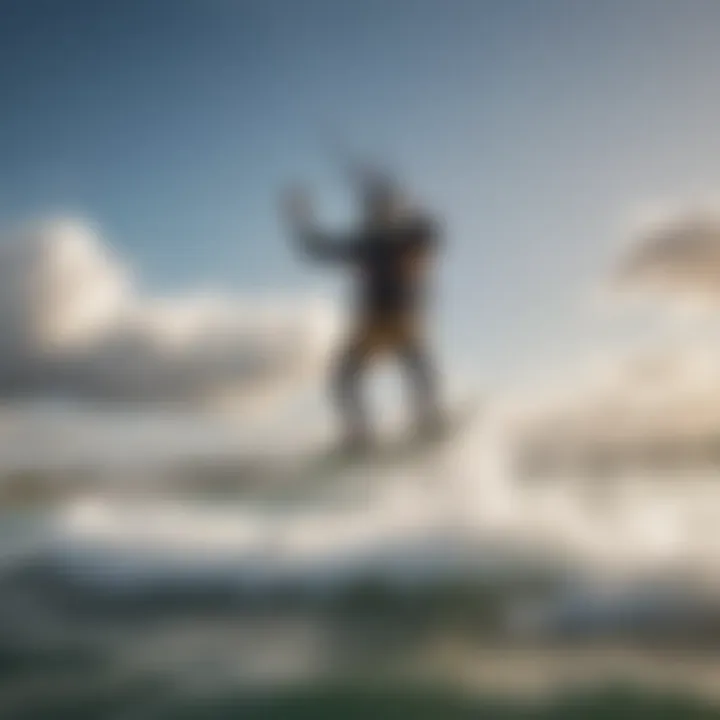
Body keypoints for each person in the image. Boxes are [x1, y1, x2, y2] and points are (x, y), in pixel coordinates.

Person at [283, 169, 444, 452]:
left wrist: (399, 202)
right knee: (343, 378)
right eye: (372, 209)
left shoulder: (408, 236)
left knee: (419, 370)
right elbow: (317, 248)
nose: (375, 215)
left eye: (381, 209)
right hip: (372, 325)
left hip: (403, 321)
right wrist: (300, 217)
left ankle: (429, 424)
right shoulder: (366, 244)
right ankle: (361, 437)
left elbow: (430, 233)